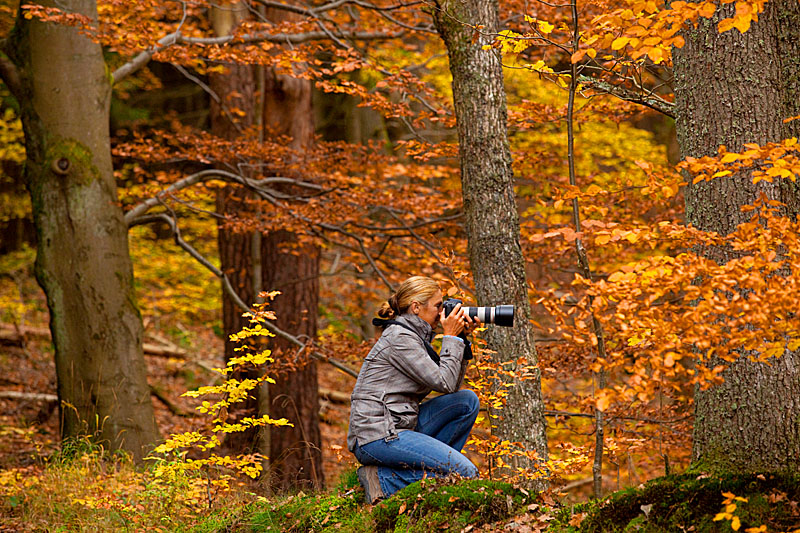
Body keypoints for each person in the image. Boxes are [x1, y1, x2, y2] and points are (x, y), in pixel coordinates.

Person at [347, 276, 481, 503]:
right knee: (465, 472)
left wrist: (460, 339)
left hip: (401, 425)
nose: (443, 313)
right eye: (438, 306)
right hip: (377, 435)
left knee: (466, 402)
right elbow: (445, 382)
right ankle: (383, 479)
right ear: (416, 307)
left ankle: (433, 472)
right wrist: (450, 337)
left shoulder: (414, 337)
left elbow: (451, 386)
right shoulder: (400, 338)